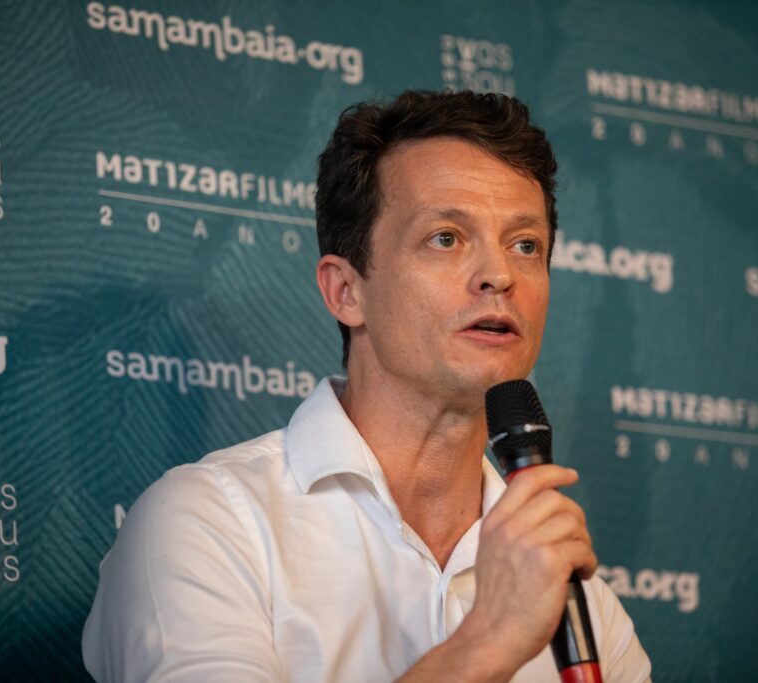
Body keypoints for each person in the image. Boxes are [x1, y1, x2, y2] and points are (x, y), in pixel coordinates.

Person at [82, 90, 652, 682]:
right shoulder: (208, 523)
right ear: (346, 292)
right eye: (446, 238)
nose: (499, 275)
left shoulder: (583, 601)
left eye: (525, 245)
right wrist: (489, 640)